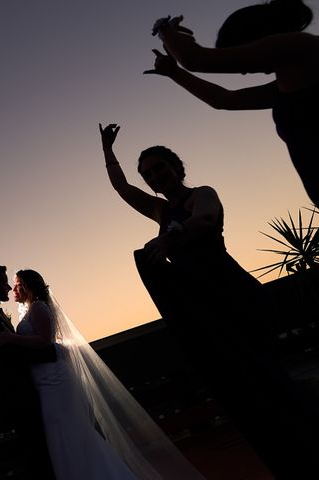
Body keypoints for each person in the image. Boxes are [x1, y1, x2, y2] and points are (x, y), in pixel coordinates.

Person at [99, 122, 319, 479]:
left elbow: (203, 221)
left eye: (159, 168)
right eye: (148, 173)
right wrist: (107, 150)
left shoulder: (202, 193)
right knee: (242, 385)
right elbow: (122, 188)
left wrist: (169, 241)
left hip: (230, 291)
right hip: (200, 304)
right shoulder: (158, 210)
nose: (154, 176)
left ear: (176, 167)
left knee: (268, 373)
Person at [0, 268, 206, 480]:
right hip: (45, 379)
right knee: (62, 433)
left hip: (55, 381)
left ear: (28, 286)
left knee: (67, 431)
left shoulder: (38, 307)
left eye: (18, 284)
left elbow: (44, 342)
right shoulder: (32, 309)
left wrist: (12, 339)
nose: (14, 289)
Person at [145, 0, 319, 205]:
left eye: (238, 50)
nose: (243, 70)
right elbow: (223, 99)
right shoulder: (289, 85)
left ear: (254, 35)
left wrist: (164, 29)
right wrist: (175, 73)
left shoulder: (302, 47)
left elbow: (194, 59)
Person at [0, 265, 57, 479]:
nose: (9, 287)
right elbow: (11, 359)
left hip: (26, 395)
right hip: (18, 398)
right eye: (4, 282)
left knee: (42, 452)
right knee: (37, 454)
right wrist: (53, 354)